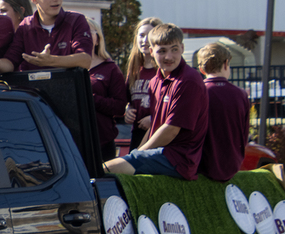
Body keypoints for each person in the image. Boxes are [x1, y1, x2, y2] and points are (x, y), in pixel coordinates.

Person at [104, 23, 208, 180]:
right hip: (160, 153)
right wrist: (137, 152)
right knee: (104, 169)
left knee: (106, 169)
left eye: (174, 49)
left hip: (179, 160)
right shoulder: (155, 81)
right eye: (162, 51)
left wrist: (139, 153)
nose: (169, 57)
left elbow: (171, 129)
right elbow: (156, 126)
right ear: (151, 51)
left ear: (182, 48)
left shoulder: (188, 80)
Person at [198, 42, 251, 182]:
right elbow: (244, 134)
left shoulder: (197, 92)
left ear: (201, 69)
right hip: (232, 165)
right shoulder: (241, 94)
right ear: (226, 64)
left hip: (202, 165)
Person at [87, 19, 130, 159]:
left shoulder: (110, 69)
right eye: (78, 32)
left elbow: (119, 107)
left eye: (88, 32)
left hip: (102, 143)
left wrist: (91, 98)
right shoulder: (66, 67)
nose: (84, 36)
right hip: (71, 142)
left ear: (98, 39)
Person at [124, 17, 163, 149]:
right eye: (141, 35)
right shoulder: (134, 70)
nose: (145, 40)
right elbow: (128, 101)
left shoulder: (163, 70)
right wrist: (128, 111)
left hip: (158, 135)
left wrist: (154, 119)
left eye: (149, 35)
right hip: (137, 134)